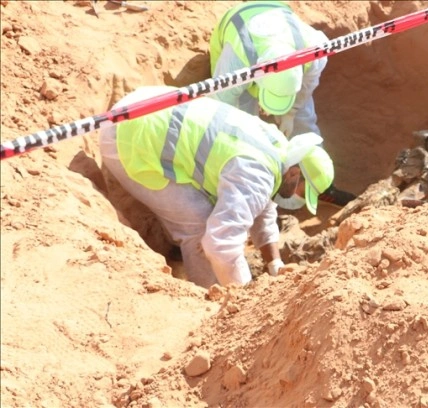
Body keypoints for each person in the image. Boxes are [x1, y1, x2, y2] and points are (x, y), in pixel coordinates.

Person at [100, 86, 335, 288]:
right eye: (302, 192)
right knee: (200, 226)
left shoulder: (276, 148)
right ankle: (208, 298)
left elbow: (263, 207)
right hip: (128, 139)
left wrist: (275, 263)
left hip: (145, 104)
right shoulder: (256, 173)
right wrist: (243, 300)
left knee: (214, 215)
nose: (298, 199)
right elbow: (221, 245)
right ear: (294, 173)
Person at [209, 0, 356, 208]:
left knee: (305, 121)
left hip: (277, 20)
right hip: (237, 26)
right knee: (243, 131)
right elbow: (221, 110)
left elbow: (306, 86)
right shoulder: (236, 61)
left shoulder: (313, 50)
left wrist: (292, 112)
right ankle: (253, 193)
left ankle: (319, 184)